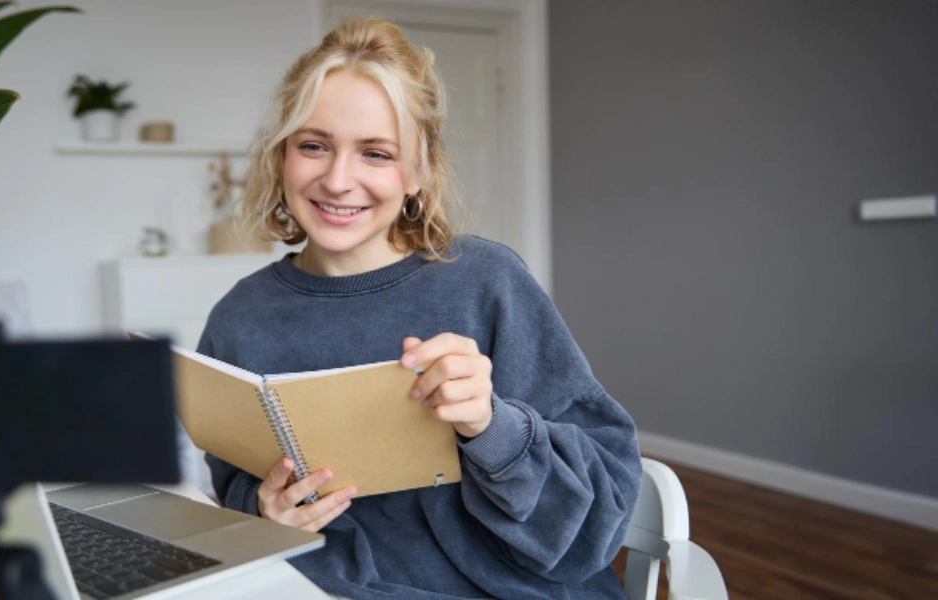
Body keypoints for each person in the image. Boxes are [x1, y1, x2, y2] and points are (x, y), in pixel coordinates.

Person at [196, 17, 642, 599]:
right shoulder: (240, 316)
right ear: (282, 156)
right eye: (313, 145)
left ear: (421, 171)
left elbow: (596, 524)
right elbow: (235, 485)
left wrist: (490, 425)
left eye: (376, 153)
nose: (338, 180)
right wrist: (266, 511)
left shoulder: (486, 281)